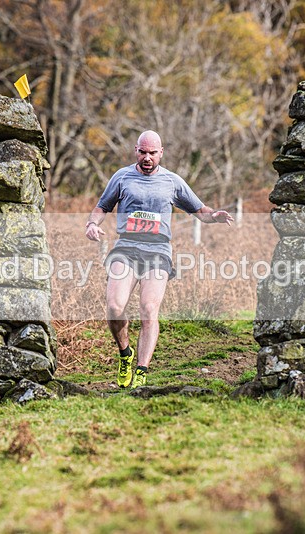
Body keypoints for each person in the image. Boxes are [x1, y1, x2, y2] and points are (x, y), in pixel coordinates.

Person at [85, 130, 234, 389]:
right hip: (126, 247)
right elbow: (102, 207)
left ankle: (141, 370)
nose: (147, 158)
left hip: (158, 251)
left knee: (149, 309)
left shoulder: (172, 182)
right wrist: (91, 224)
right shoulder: (122, 177)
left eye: (152, 153)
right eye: (143, 152)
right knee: (114, 307)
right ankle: (125, 353)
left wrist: (214, 216)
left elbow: (200, 210)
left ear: (161, 153)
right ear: (136, 150)